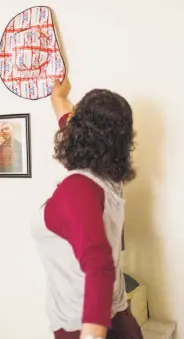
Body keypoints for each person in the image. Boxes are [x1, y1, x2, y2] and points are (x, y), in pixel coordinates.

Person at [32, 77, 141, 339]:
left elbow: (99, 265)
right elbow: (68, 122)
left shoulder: (78, 189)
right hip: (121, 323)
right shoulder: (111, 178)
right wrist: (58, 98)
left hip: (85, 328)